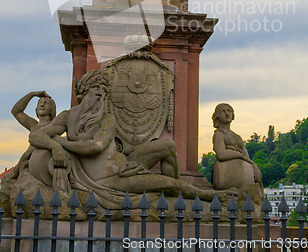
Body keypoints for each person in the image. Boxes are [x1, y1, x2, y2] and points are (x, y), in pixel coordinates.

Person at [29, 71, 220, 204]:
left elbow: (97, 146)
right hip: (111, 178)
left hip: (125, 164)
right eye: (97, 90)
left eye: (103, 92)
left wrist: (62, 142)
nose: (101, 96)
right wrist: (55, 148)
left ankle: (175, 201)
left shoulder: (107, 119)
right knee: (167, 184)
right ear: (84, 92)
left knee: (168, 146)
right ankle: (208, 197)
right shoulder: (67, 116)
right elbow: (36, 135)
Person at [211, 103, 262, 189]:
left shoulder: (237, 137)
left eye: (229, 111)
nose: (227, 113)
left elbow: (247, 158)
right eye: (224, 111)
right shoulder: (219, 134)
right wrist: (240, 155)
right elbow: (221, 154)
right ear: (218, 116)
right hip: (226, 173)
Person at [9, 91, 56, 179]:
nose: (42, 105)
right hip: (26, 163)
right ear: (36, 109)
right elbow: (16, 111)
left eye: (45, 103)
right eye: (40, 103)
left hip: (41, 164)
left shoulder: (55, 126)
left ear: (51, 109)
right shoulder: (33, 125)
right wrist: (32, 94)